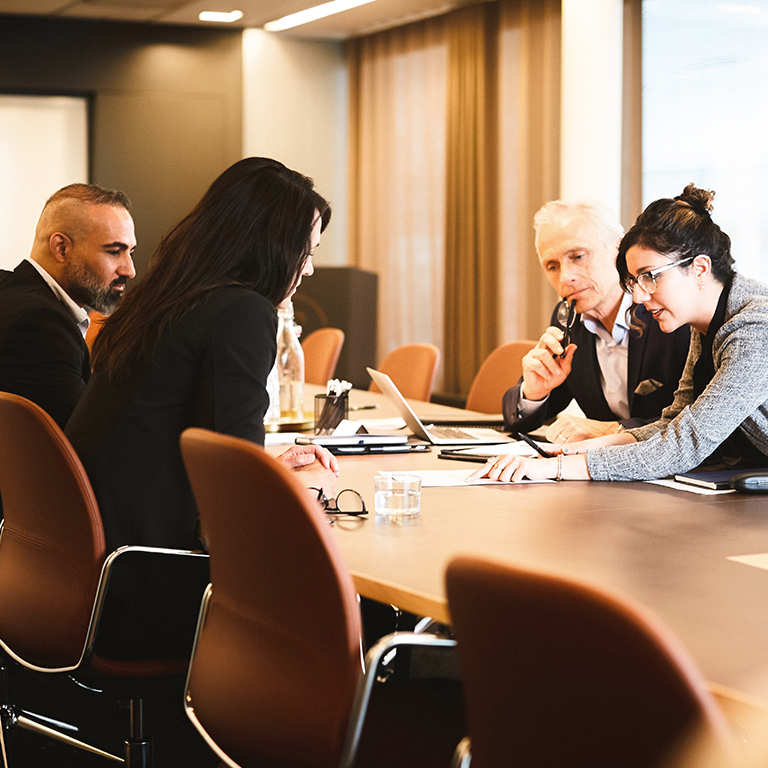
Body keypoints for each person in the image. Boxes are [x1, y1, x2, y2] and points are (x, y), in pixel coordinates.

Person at [66, 158, 339, 657]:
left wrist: (264, 467)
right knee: (350, 608)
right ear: (272, 243)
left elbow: (171, 441)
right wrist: (280, 490)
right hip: (152, 584)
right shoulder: (242, 312)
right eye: (306, 250)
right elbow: (235, 501)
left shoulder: (163, 299)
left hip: (93, 564)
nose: (310, 268)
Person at [470, 183, 768, 484]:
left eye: (650, 277)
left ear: (700, 269)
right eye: (635, 281)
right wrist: (571, 453)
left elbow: (685, 442)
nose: (638, 297)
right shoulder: (703, 323)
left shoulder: (756, 327)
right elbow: (671, 423)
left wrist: (555, 469)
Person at [503, 199, 690, 443]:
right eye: (552, 266)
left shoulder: (669, 312)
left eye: (578, 256)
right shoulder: (567, 323)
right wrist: (534, 393)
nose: (566, 277)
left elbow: (701, 421)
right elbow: (520, 421)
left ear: (619, 251)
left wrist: (612, 430)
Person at [0, 183, 136, 428]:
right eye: (114, 251)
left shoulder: (8, 289)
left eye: (130, 253)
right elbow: (83, 444)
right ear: (61, 248)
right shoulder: (41, 325)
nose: (130, 270)